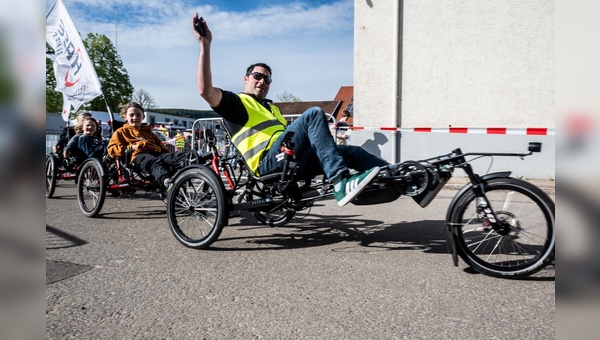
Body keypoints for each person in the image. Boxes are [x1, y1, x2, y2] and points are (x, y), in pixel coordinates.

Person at [192, 15, 389, 207]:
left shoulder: (273, 109)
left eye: (267, 79)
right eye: (257, 76)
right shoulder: (237, 103)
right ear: (246, 79)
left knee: (352, 152)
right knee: (312, 114)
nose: (262, 81)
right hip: (268, 163)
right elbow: (205, 91)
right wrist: (205, 45)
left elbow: (295, 138)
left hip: (291, 159)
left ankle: (398, 176)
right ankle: (340, 181)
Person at [107, 102, 188, 190]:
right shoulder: (121, 132)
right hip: (138, 156)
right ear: (125, 116)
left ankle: (195, 161)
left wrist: (170, 157)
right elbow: (112, 150)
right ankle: (166, 181)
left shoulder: (149, 132)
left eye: (138, 115)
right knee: (154, 162)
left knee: (176, 157)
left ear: (143, 117)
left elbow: (162, 147)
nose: (135, 118)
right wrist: (132, 147)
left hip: (156, 153)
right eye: (132, 115)